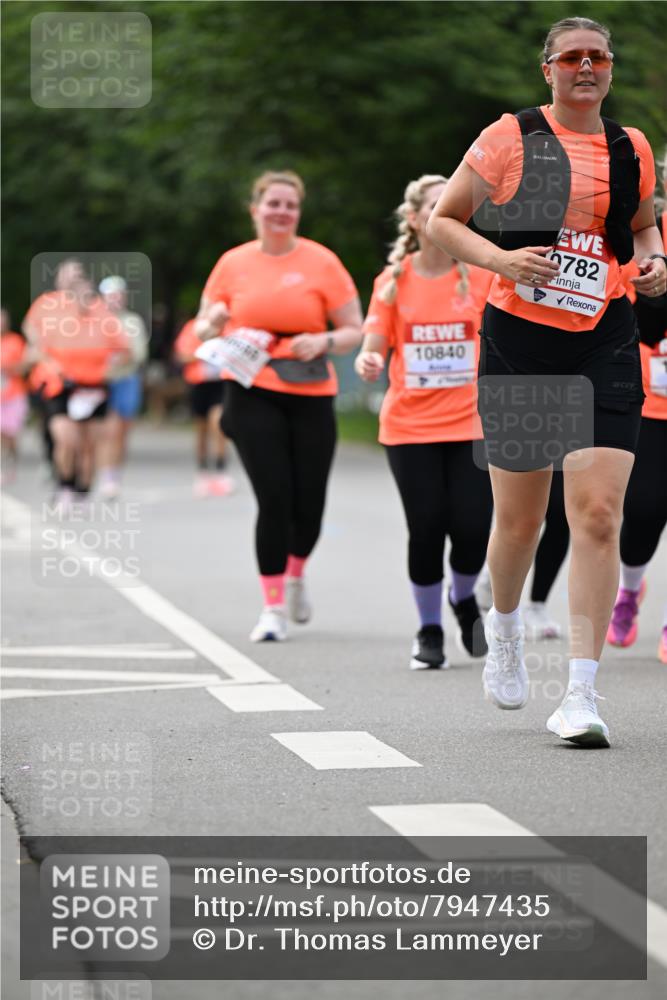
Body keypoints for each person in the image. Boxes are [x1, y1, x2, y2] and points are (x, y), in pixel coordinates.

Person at [426, 16, 665, 747]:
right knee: (521, 520)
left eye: (596, 56)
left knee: (595, 515)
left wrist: (653, 261)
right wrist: (500, 263)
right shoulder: (509, 137)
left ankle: (580, 695)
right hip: (521, 342)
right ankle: (502, 631)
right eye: (571, 58)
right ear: (548, 70)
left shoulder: (631, 146)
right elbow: (444, 220)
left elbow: (642, 227)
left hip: (606, 338)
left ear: (609, 68)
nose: (584, 67)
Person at [195, 171, 362, 640]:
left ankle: (295, 574)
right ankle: (271, 608)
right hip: (250, 386)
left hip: (310, 388)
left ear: (298, 213)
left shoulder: (321, 261)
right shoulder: (232, 263)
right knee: (274, 498)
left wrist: (324, 339)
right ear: (255, 209)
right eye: (273, 203)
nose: (281, 212)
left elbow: (354, 328)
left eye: (290, 205)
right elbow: (201, 330)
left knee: (309, 503)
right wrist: (212, 320)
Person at [355, 175, 493, 670]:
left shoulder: (481, 274)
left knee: (475, 529)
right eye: (436, 206)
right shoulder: (393, 282)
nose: (446, 213)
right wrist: (368, 362)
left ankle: (463, 598)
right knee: (428, 527)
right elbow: (372, 345)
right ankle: (429, 628)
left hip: (473, 425)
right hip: (410, 427)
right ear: (415, 219)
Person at [608, 165, 667, 662]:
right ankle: (628, 590)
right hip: (653, 400)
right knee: (645, 510)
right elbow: (633, 318)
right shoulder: (649, 238)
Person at [23, 260, 129, 510]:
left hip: (93, 387)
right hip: (60, 386)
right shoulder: (51, 308)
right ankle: (64, 486)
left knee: (88, 445)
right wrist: (48, 361)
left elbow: (124, 350)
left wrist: (110, 367)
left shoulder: (101, 315)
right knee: (65, 438)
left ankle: (82, 491)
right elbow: (34, 340)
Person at [97, 275, 149, 499]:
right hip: (102, 382)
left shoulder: (132, 322)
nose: (115, 299)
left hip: (127, 379)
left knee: (122, 432)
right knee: (109, 430)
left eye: (119, 295)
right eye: (111, 295)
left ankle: (115, 473)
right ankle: (105, 475)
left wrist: (122, 358)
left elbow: (139, 354)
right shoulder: (94, 321)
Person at [174, 317, 234, 497]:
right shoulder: (192, 327)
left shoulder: (228, 327)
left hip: (220, 383)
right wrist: (205, 352)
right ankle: (202, 471)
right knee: (201, 430)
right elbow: (182, 355)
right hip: (199, 384)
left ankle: (221, 469)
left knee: (218, 423)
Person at [0, 309, 30, 484]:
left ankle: (11, 460)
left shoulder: (15, 341)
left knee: (10, 433)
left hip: (14, 394)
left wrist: (9, 368)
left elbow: (25, 366)